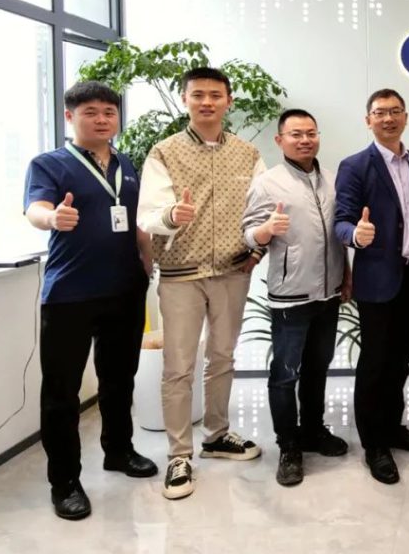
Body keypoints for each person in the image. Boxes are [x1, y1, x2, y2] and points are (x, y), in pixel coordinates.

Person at [24, 81, 157, 520]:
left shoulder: (127, 164)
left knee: (119, 380)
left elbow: (136, 221)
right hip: (70, 294)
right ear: (70, 116)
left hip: (125, 289)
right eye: (90, 112)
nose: (102, 119)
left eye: (109, 112)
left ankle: (119, 450)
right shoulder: (49, 164)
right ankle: (64, 482)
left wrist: (147, 259)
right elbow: (35, 209)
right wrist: (52, 218)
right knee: (61, 392)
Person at [138, 66, 265, 500]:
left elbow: (262, 211)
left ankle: (217, 434)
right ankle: (179, 454)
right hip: (181, 275)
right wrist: (172, 216)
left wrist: (256, 252)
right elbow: (147, 215)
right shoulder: (164, 152)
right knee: (178, 366)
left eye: (215, 95)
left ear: (229, 100)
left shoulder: (248, 154)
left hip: (232, 271)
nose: (207, 102)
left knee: (223, 356)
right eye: (198, 95)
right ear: (185, 99)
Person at [242, 108, 350, 487]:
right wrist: (266, 230)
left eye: (311, 133)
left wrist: (346, 275)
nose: (305, 140)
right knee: (285, 375)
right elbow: (248, 233)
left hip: (329, 294)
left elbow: (339, 234)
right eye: (296, 134)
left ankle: (313, 431)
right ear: (280, 140)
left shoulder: (333, 180)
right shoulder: (267, 183)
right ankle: (289, 447)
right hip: (290, 296)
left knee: (318, 367)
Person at [333, 89, 409, 485]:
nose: (388, 118)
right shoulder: (355, 165)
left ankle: (392, 428)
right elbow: (341, 220)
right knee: (375, 362)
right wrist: (355, 236)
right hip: (377, 279)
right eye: (380, 112)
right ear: (368, 120)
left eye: (395, 111)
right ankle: (374, 444)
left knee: (399, 358)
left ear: (406, 117)